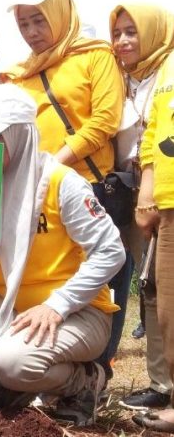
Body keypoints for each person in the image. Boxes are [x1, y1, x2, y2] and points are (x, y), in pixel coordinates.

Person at [0, 84, 125, 427]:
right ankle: (4, 389)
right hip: (11, 308)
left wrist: (57, 305)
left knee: (13, 362)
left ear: (19, 136)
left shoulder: (59, 182)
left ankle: (83, 383)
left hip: (78, 313)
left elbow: (111, 251)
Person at [0, 0, 126, 384]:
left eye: (39, 21)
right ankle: (30, 371)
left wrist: (54, 164)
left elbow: (105, 119)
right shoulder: (19, 73)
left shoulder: (95, 55)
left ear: (60, 16)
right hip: (32, 189)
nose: (32, 32)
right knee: (37, 274)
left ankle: (93, 375)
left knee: (98, 282)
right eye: (23, 24)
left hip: (85, 185)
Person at [108, 4, 174, 411]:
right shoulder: (117, 77)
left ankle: (165, 384)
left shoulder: (166, 72)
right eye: (118, 33)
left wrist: (149, 195)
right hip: (124, 189)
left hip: (157, 188)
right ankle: (160, 382)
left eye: (132, 31)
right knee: (145, 285)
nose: (123, 41)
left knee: (162, 285)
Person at [131, 23, 174, 433]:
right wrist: (148, 192)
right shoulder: (168, 69)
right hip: (168, 200)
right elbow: (153, 139)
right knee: (168, 308)